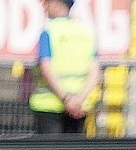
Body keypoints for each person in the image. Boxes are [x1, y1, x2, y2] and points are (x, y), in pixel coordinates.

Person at [28, 0, 101, 135]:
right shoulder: (87, 32)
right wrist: (78, 100)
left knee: (48, 148)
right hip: (79, 106)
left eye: (47, 2)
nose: (44, 6)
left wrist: (66, 99)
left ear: (57, 3)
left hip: (49, 105)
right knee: (73, 148)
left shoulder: (49, 32)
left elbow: (46, 68)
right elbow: (95, 72)